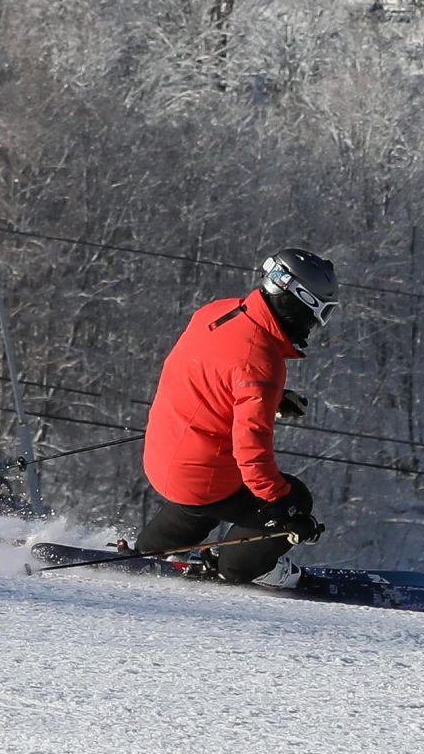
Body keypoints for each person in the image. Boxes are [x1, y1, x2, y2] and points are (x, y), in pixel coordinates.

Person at [133, 248, 336, 581]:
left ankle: (153, 547)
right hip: (200, 474)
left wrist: (269, 399)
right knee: (294, 497)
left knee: (205, 493)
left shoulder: (219, 311)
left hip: (162, 454)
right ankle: (239, 567)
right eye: (320, 312)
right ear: (297, 300)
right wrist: (285, 509)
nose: (316, 324)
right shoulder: (262, 362)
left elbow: (213, 375)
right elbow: (251, 454)